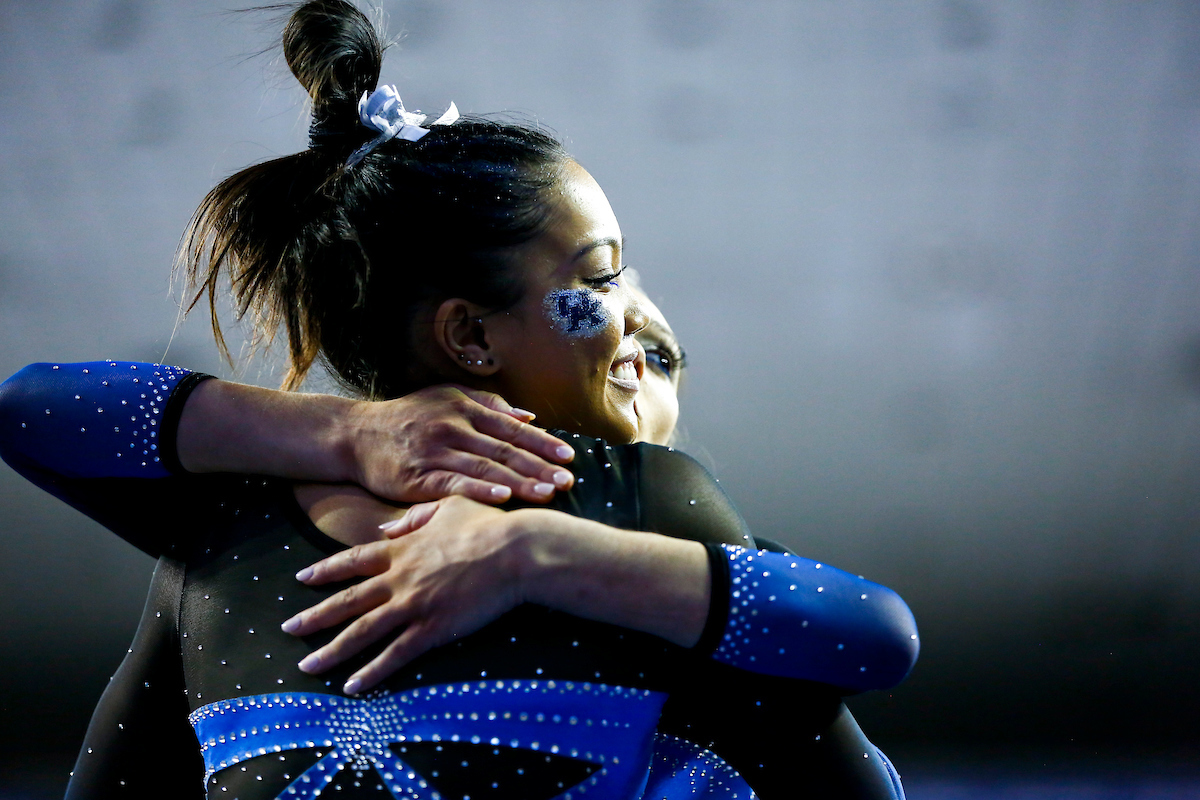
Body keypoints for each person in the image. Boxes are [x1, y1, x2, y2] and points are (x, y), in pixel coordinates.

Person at [0, 2, 917, 798]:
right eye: (600, 277)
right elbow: (877, 642)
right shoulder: (633, 503)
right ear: (470, 336)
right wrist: (365, 441)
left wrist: (515, 545)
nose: (636, 318)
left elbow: (33, 414)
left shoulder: (227, 531)